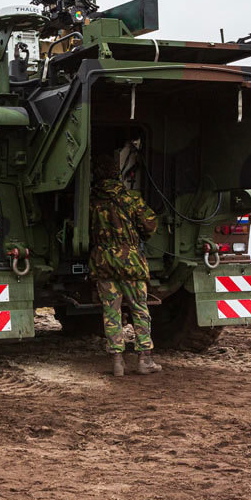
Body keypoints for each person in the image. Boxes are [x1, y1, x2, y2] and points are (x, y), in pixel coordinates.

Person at [88, 153, 162, 376]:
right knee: (139, 309)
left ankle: (117, 361)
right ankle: (144, 360)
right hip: (130, 263)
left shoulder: (91, 202)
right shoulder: (130, 198)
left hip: (102, 262)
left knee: (111, 312)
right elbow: (150, 225)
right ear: (117, 173)